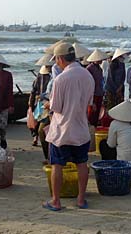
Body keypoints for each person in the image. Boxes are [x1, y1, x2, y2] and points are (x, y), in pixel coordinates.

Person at [43, 43, 94, 211]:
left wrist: (47, 104)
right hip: (81, 129)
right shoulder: (88, 76)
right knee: (82, 163)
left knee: (57, 165)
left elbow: (56, 107)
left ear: (60, 58)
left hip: (62, 131)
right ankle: (81, 199)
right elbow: (88, 103)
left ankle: (56, 201)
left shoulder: (61, 79)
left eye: (57, 60)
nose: (56, 63)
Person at [99, 101, 131, 175]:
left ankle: (109, 169)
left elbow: (111, 145)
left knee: (103, 144)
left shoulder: (115, 124)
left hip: (125, 166)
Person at [29, 54, 52, 161]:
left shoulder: (56, 77)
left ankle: (50, 157)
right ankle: (48, 156)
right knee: (41, 130)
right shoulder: (40, 76)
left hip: (50, 107)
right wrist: (31, 103)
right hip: (43, 107)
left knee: (43, 131)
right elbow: (33, 90)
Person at [86, 49, 108, 127]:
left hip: (99, 93)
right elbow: (88, 84)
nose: (101, 60)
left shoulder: (100, 69)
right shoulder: (89, 68)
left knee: (97, 114)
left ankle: (94, 128)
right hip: (93, 94)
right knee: (91, 114)